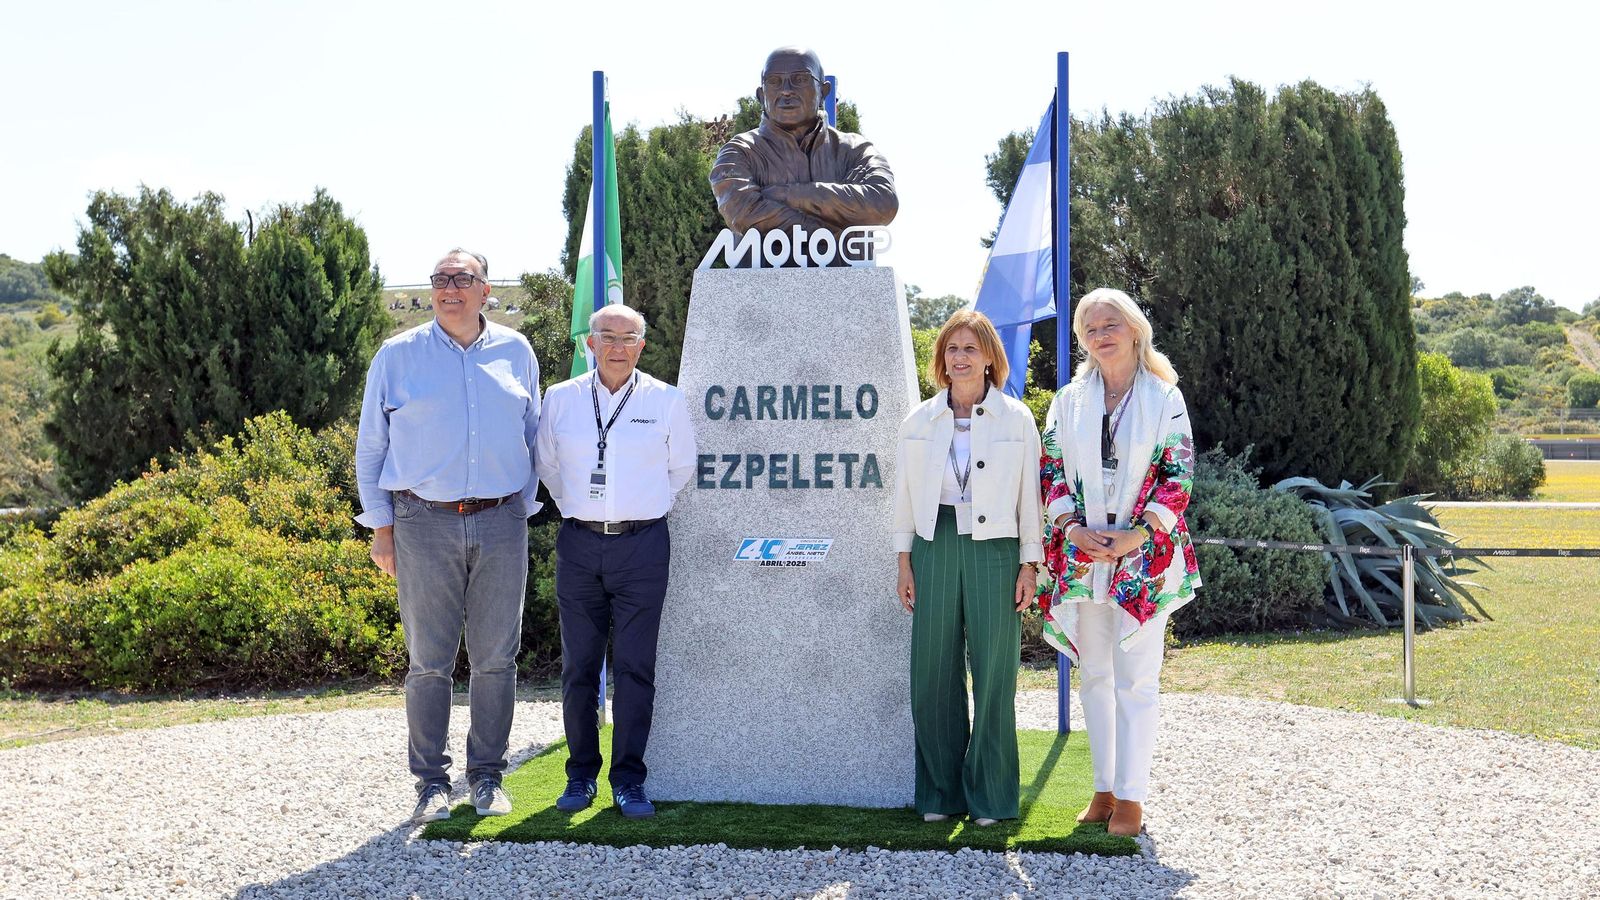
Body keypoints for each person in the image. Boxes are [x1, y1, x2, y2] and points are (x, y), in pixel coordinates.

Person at [354, 249, 541, 825]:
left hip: (501, 520)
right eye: (441, 280)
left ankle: (486, 777)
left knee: (495, 659)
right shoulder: (397, 355)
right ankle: (431, 784)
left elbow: (534, 435)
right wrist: (381, 528)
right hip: (421, 523)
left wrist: (521, 507)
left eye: (463, 279)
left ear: (487, 290)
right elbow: (371, 447)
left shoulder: (518, 351)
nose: (449, 289)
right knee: (429, 662)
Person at [1038, 287, 1201, 838]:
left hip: (1143, 559)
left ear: (1133, 328)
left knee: (1137, 679)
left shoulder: (1164, 398)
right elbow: (1051, 470)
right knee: (1096, 677)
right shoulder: (1068, 401)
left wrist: (1136, 535)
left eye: (1110, 324)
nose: (1100, 334)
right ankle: (1103, 789)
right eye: (1090, 328)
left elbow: (1179, 475)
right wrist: (1071, 527)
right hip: (1083, 558)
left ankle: (1132, 797)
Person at [534, 304, 697, 819]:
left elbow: (681, 468)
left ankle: (628, 779)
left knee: (634, 667)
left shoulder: (666, 400)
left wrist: (638, 510)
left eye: (629, 338)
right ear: (590, 342)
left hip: (643, 546)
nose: (618, 347)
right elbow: (548, 465)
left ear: (642, 346)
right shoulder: (560, 400)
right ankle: (580, 776)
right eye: (608, 336)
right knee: (580, 667)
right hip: (579, 544)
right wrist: (582, 510)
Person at [892, 310, 1043, 826]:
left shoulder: (1016, 419)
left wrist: (1030, 564)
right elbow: (906, 497)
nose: (960, 357)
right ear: (941, 359)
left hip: (995, 550)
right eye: (952, 348)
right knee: (932, 673)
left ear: (988, 358)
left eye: (970, 348)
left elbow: (1031, 497)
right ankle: (939, 793)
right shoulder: (919, 420)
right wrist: (904, 561)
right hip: (934, 545)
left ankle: (992, 795)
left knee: (995, 672)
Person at [708, 46, 898, 238]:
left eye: (800, 79)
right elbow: (744, 212)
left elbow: (883, 204)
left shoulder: (855, 150)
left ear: (823, 91)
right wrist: (830, 234)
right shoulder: (739, 152)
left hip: (849, 268)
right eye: (774, 81)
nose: (786, 91)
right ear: (761, 95)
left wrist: (789, 195)